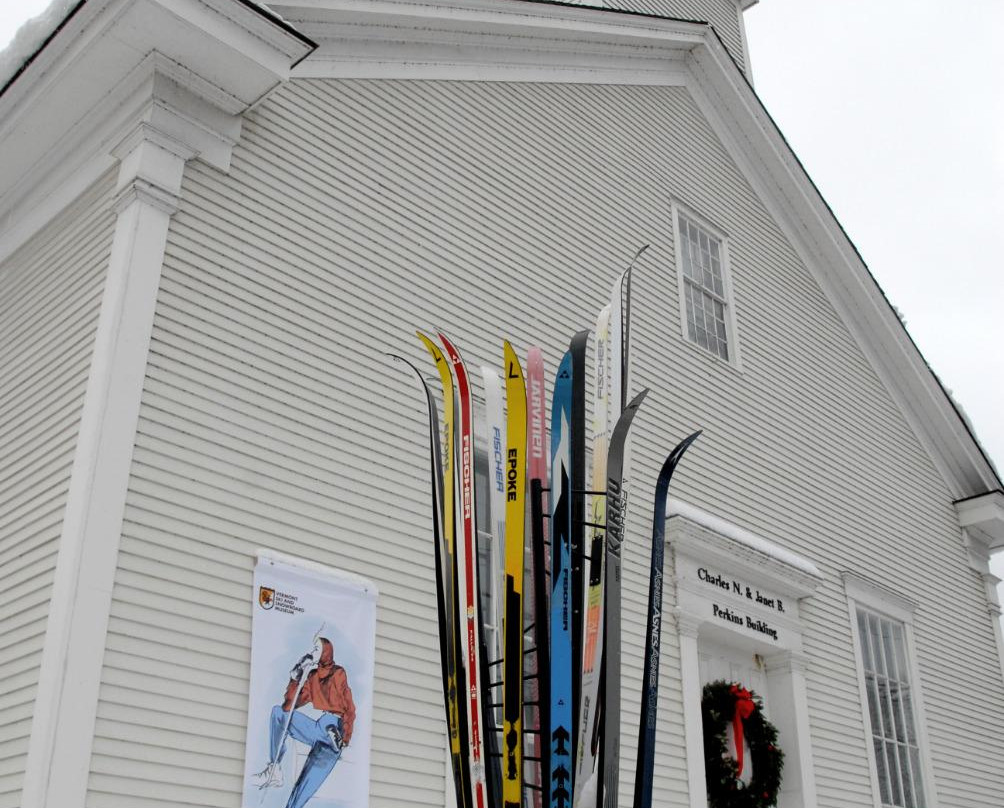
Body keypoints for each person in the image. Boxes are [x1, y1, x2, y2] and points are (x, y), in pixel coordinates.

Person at [253, 637, 356, 808]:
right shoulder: (313, 676)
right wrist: (295, 678)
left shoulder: (338, 673)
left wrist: (346, 738)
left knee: (300, 795)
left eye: (316, 649)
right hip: (318, 729)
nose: (312, 652)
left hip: (334, 729)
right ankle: (274, 768)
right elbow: (290, 706)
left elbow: (349, 708)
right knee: (279, 714)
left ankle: (335, 740)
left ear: (325, 651)